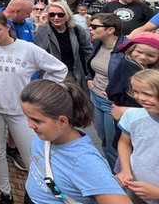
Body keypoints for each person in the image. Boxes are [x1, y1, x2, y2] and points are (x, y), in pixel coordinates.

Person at [0, 13, 68, 204]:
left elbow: (59, 69)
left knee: (31, 154)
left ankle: (34, 194)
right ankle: (5, 193)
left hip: (19, 112)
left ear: (7, 27)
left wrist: (40, 93)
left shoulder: (28, 49)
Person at [20, 79, 130, 204]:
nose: (29, 125)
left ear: (62, 121)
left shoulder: (84, 161)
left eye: (36, 120)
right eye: (26, 116)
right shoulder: (45, 135)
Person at [85, 13, 128, 169]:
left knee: (114, 144)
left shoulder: (126, 49)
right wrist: (90, 78)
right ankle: (112, 171)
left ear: (110, 30)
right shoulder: (99, 43)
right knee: (103, 139)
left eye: (95, 26)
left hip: (113, 103)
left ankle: (121, 179)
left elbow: (134, 79)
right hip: (96, 97)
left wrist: (119, 98)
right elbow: (93, 65)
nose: (90, 29)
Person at [117, 69, 159, 204]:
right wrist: (125, 170)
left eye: (147, 94)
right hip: (136, 188)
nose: (140, 98)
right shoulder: (132, 115)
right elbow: (124, 143)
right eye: (135, 91)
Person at [34, 1, 92, 92]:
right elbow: (41, 49)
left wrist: (90, 74)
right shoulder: (43, 29)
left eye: (60, 14)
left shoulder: (76, 29)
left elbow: (88, 51)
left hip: (73, 74)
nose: (56, 18)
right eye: (52, 14)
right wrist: (42, 25)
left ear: (67, 15)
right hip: (50, 76)